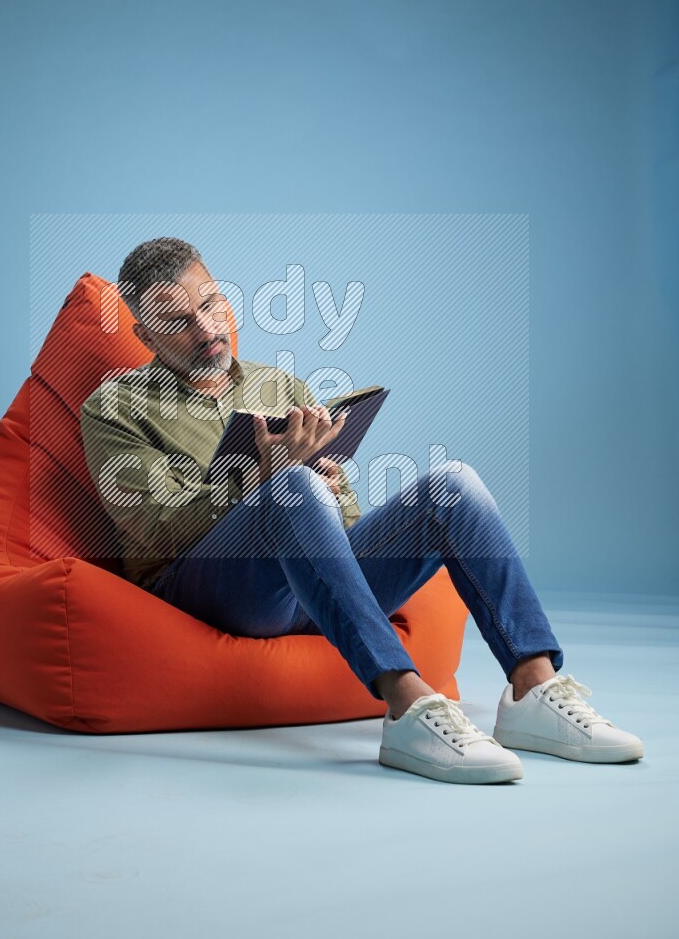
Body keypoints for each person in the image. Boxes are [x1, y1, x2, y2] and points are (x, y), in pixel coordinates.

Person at [80, 237, 644, 785]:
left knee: (454, 485)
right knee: (291, 487)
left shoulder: (280, 385)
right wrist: (267, 479)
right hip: (209, 592)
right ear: (145, 334)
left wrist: (325, 488)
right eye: (177, 321)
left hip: (312, 587)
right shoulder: (113, 406)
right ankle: (407, 707)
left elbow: (344, 522)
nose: (205, 328)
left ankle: (532, 688)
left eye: (210, 304)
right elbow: (152, 526)